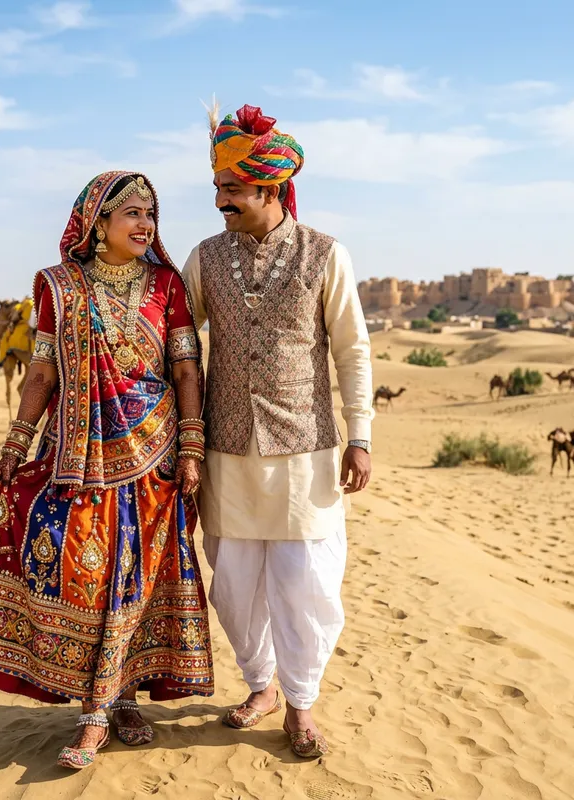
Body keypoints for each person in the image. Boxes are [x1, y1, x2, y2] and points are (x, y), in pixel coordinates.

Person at [0, 171, 214, 770]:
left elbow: (185, 372)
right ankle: (102, 701)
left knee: (136, 583)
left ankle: (109, 707)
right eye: (131, 213)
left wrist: (193, 449)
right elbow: (42, 374)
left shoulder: (168, 285)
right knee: (87, 577)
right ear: (97, 223)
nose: (146, 223)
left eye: (151, 212)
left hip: (155, 456)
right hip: (77, 458)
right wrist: (16, 445)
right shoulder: (57, 287)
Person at [182, 104, 374, 758]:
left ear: (268, 187)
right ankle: (260, 683)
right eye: (217, 189)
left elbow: (352, 350)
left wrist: (362, 434)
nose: (220, 201)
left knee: (306, 584)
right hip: (226, 452)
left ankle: (300, 702)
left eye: (231, 190)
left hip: (308, 453)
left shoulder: (326, 255)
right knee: (233, 588)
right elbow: (175, 345)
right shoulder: (205, 260)